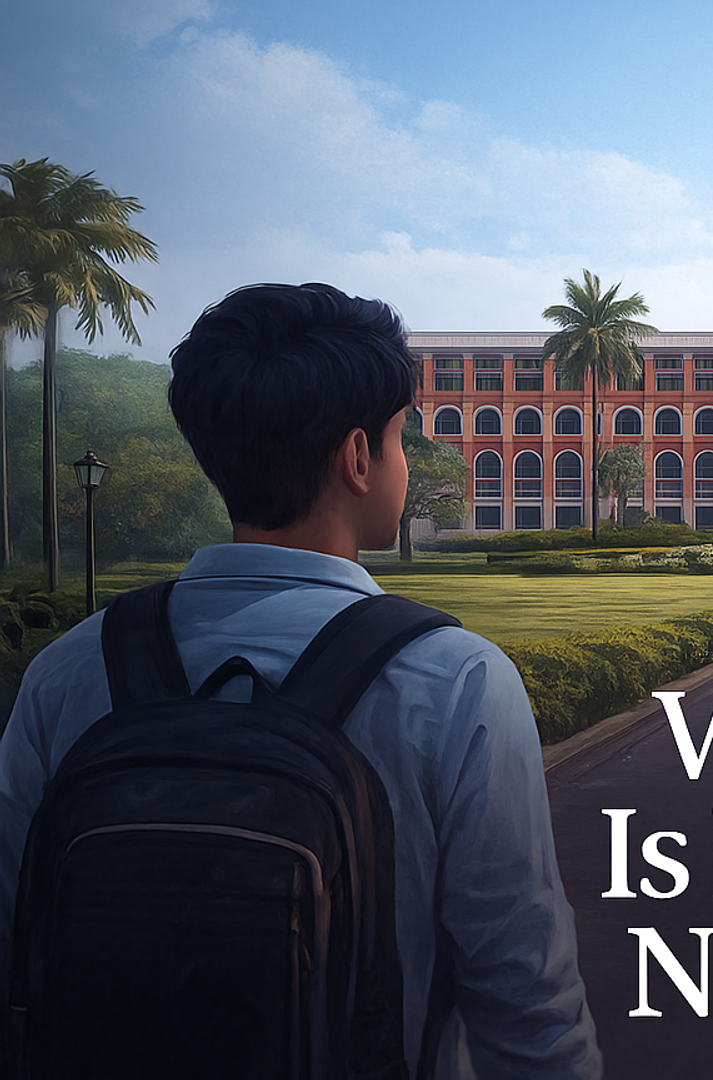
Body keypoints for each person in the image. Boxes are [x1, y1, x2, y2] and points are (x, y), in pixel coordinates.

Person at [0, 283, 602, 1079]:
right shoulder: (457, 682)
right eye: (398, 438)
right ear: (359, 458)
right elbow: (524, 998)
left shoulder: (68, 671)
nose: (405, 458)